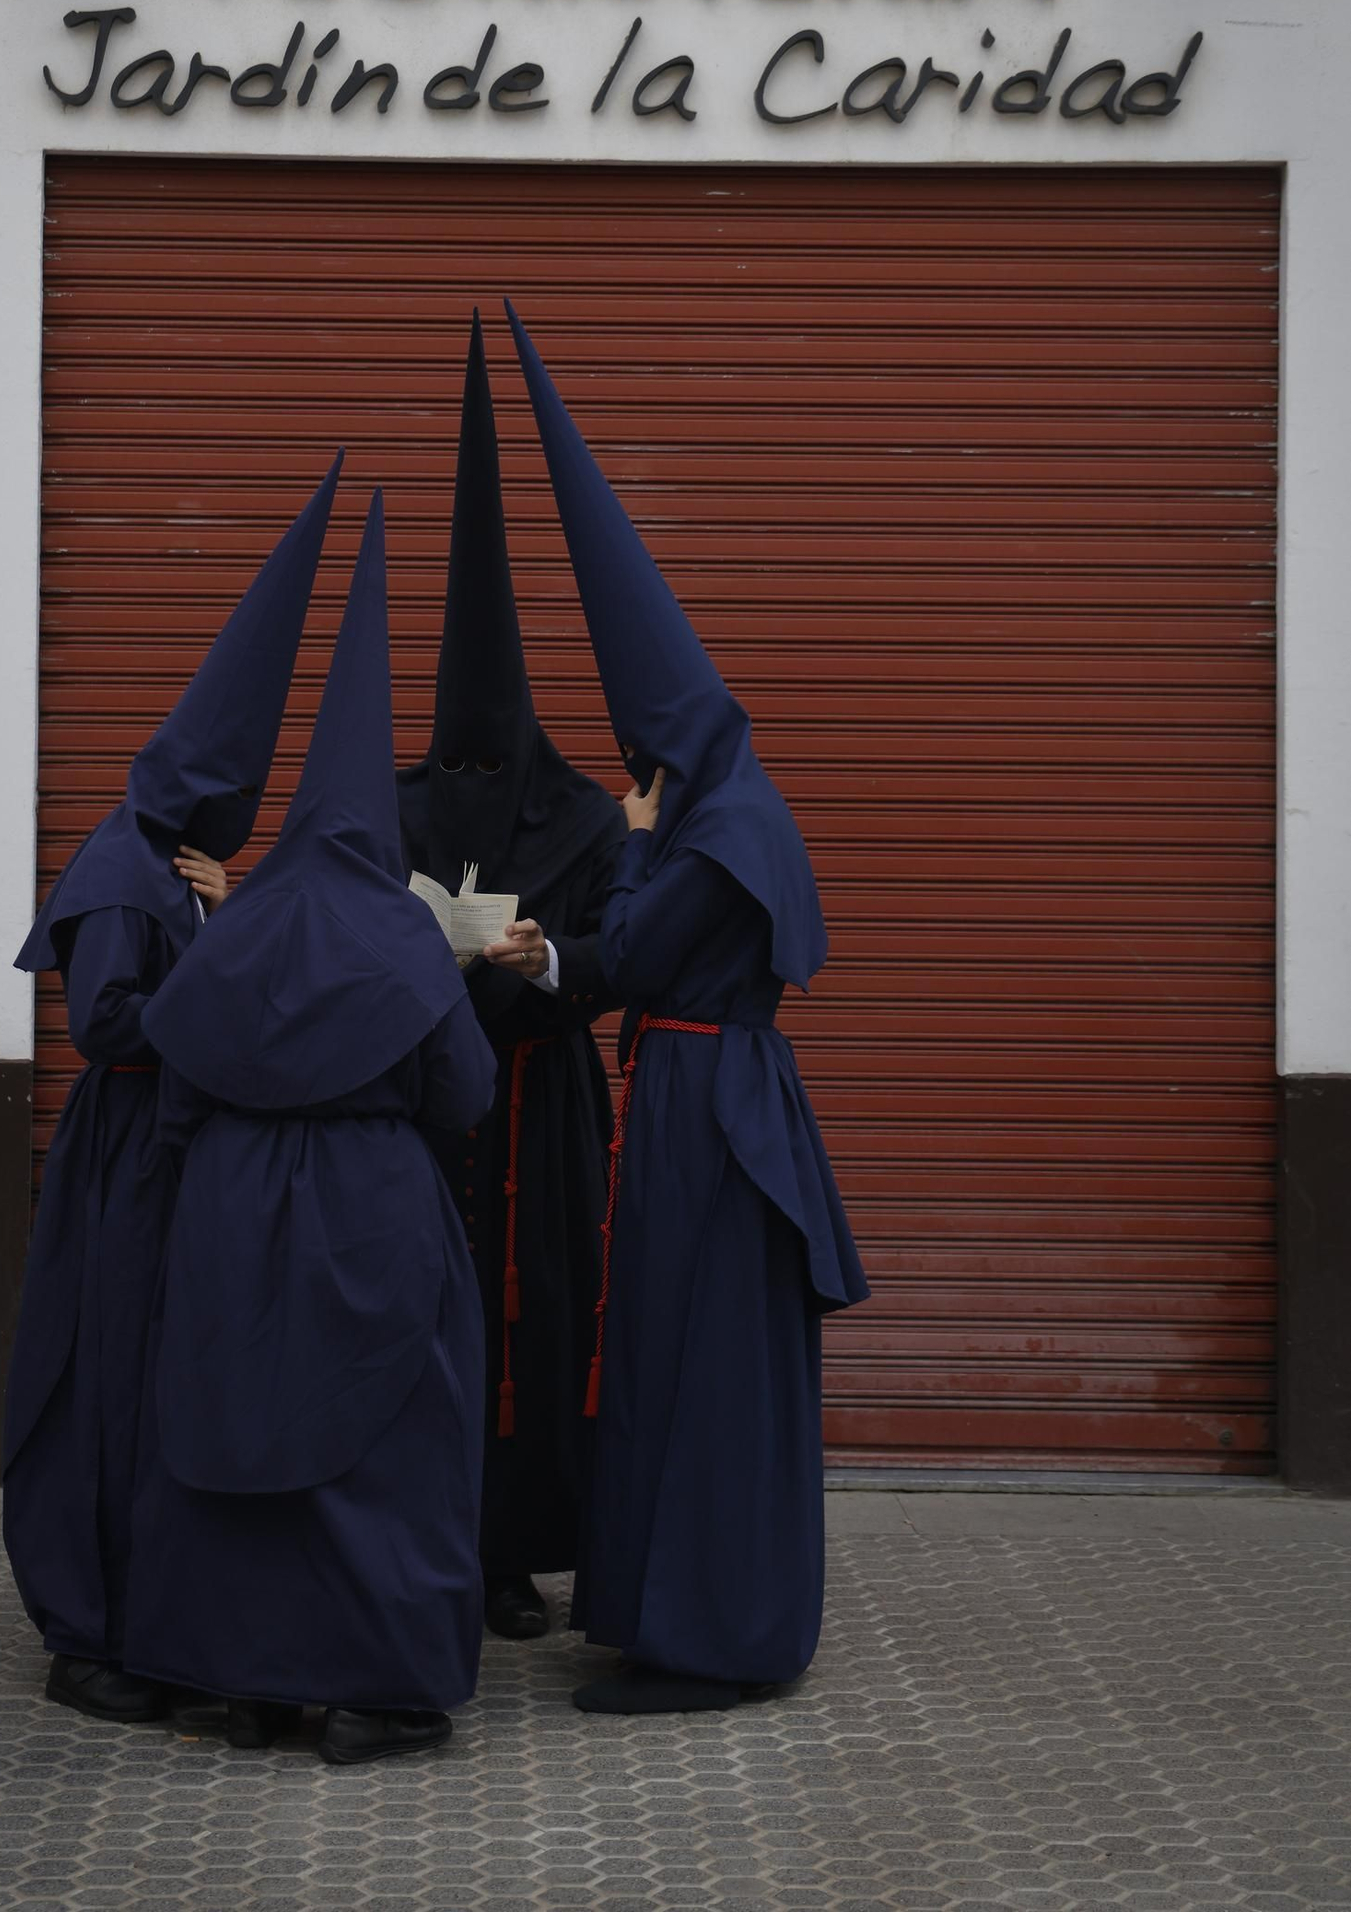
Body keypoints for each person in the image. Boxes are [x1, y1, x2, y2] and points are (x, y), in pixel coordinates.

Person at [504, 302, 870, 1716]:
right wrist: (560, 952)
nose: (635, 774)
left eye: (647, 755)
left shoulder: (719, 833)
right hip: (689, 1106)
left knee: (701, 1362)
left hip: (710, 1119)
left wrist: (633, 843)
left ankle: (711, 1637)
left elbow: (641, 950)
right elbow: (616, 960)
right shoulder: (728, 813)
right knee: (661, 1348)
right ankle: (664, 1611)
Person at [124, 493, 496, 1768]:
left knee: (232, 1421)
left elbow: (175, 1086)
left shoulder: (241, 922)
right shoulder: (397, 929)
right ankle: (374, 1690)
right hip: (370, 1203)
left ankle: (247, 1681)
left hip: (230, 1202)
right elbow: (467, 1092)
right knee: (387, 1439)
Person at [3, 455, 342, 1723]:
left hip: (176, 1148)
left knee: (164, 1374)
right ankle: (84, 1622)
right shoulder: (114, 873)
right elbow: (105, 1024)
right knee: (106, 1371)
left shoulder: (176, 869)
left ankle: (153, 1599)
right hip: (127, 1156)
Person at [397, 315, 625, 1642]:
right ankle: (436, 1539)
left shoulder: (589, 819)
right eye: (460, 764)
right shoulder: (390, 803)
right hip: (436, 1117)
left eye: (498, 766)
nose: (477, 788)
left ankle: (533, 1545)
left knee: (542, 1333)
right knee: (433, 1319)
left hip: (543, 1116)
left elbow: (611, 961)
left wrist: (549, 962)